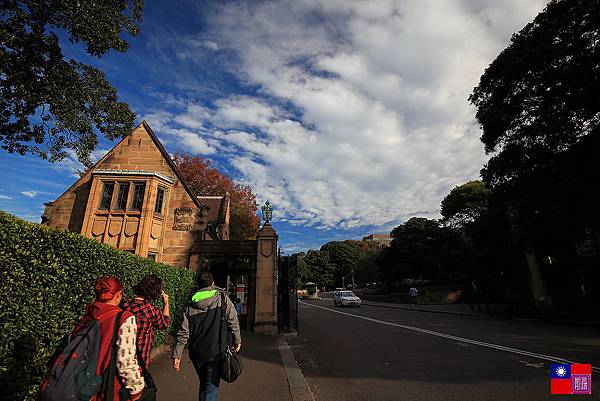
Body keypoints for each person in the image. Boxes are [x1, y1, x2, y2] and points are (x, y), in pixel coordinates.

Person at [172, 271, 241, 401]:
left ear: (198, 285)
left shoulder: (190, 303)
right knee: (210, 387)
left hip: (197, 352)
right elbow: (233, 319)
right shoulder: (221, 298)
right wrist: (237, 339)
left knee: (204, 384)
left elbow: (184, 331)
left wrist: (177, 354)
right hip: (216, 350)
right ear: (213, 283)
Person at [84, 277, 145, 401]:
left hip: (86, 382)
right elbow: (125, 360)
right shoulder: (124, 318)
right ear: (118, 294)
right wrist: (136, 389)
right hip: (110, 385)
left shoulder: (90, 313)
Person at [123, 274, 171, 368]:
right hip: (140, 359)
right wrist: (166, 303)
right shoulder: (151, 310)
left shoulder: (125, 305)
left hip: (122, 356)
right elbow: (165, 324)